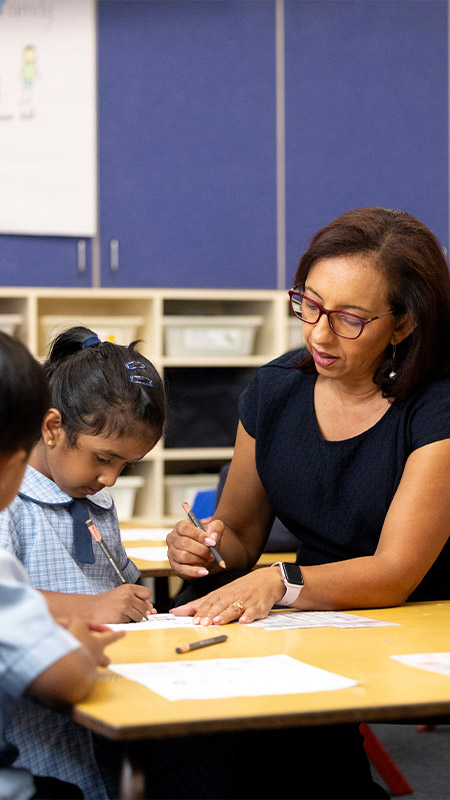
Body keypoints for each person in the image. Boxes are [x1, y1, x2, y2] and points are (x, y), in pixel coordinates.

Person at [168, 206, 450, 798]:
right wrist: (207, 546)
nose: (319, 333)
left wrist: (282, 582)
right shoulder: (276, 390)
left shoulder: (437, 405)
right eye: (310, 304)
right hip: (320, 611)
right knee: (200, 654)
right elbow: (241, 535)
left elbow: (396, 573)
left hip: (419, 619)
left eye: (350, 319)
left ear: (403, 325)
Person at [0, 326, 167, 799]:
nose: (110, 478)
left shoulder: (95, 501)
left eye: (125, 467)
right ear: (52, 429)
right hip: (41, 712)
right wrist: (89, 609)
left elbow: (119, 584)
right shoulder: (10, 504)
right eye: (104, 458)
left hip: (101, 693)